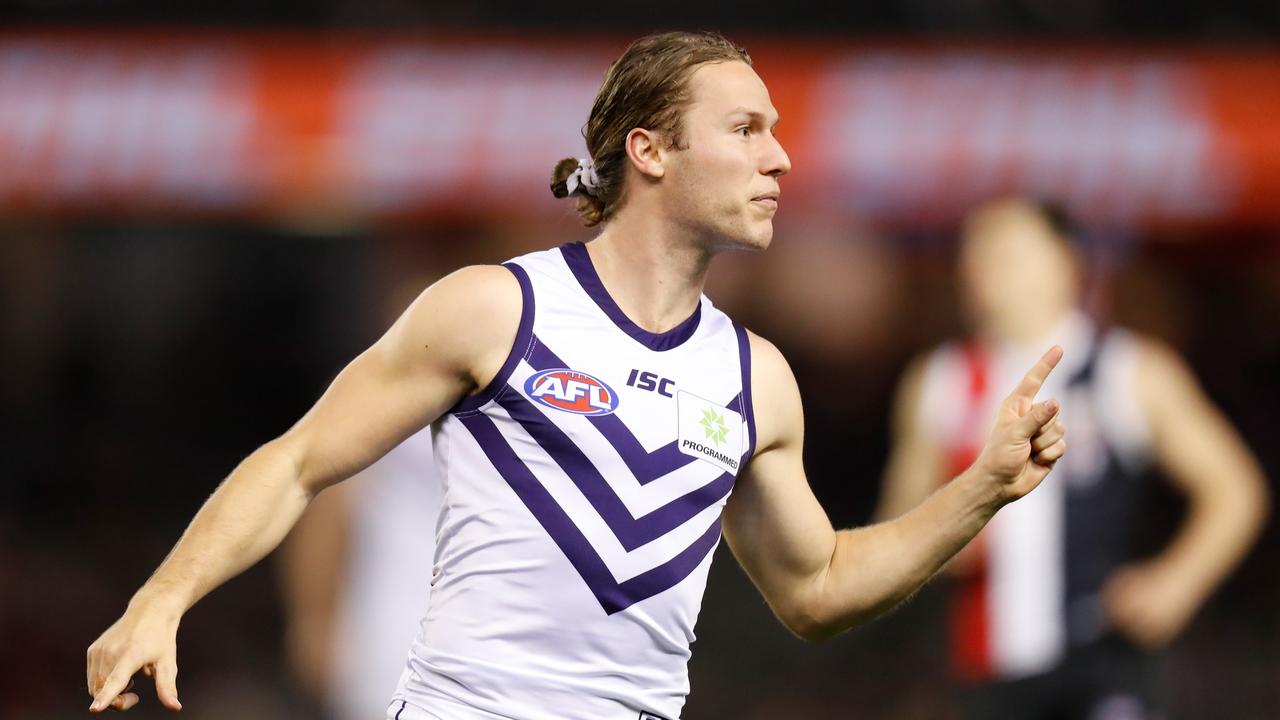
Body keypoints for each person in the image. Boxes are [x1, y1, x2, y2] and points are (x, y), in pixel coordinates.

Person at [86, 32, 1068, 720]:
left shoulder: (753, 379)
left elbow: (816, 591)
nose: (778, 158)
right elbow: (299, 463)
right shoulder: (495, 310)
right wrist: (161, 599)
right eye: (743, 129)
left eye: (775, 131)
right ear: (647, 152)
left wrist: (981, 488)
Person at [876, 198, 1269, 719]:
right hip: (984, 673)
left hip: (1102, 660)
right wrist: (939, 539)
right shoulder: (939, 381)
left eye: (1008, 250)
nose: (984, 267)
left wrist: (1178, 581)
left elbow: (1234, 489)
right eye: (974, 253)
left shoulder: (1129, 371)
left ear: (1066, 263)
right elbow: (893, 527)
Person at [278, 427, 439, 720]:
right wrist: (314, 620)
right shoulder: (395, 387)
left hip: (515, 663)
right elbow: (327, 486)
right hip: (390, 649)